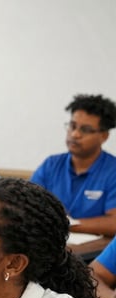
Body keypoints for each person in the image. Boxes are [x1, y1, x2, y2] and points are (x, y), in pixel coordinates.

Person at [31, 94, 116, 236]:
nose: (75, 134)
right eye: (72, 126)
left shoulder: (112, 171)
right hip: (49, 245)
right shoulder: (51, 164)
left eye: (86, 130)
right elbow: (26, 208)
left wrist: (65, 225)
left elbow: (113, 223)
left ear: (104, 136)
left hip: (95, 253)